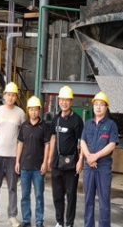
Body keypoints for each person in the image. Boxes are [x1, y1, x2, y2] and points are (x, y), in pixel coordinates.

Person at [0, 82, 25, 227]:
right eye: (8, 95)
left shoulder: (20, 113)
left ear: (16, 97)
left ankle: (12, 216)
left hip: (13, 156)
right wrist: (0, 139)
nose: (10, 97)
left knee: (12, 187)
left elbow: (23, 133)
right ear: (4, 96)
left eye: (13, 95)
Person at [80, 92, 119, 227]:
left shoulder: (111, 125)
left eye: (101, 105)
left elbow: (112, 145)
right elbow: (82, 141)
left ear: (106, 107)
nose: (98, 107)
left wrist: (95, 156)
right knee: (88, 201)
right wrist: (89, 157)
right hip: (88, 167)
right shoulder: (88, 124)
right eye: (96, 104)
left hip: (103, 167)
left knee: (104, 202)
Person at [48, 85, 84, 227]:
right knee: (57, 195)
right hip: (57, 164)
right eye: (62, 99)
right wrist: (50, 159)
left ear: (71, 101)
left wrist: (80, 160)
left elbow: (81, 142)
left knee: (71, 195)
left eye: (67, 100)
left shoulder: (77, 120)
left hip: (71, 164)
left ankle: (69, 223)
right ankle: (60, 222)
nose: (64, 102)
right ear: (58, 101)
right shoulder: (56, 119)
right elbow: (53, 138)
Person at [15, 96, 50, 227]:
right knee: (25, 195)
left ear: (39, 110)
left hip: (38, 168)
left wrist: (45, 163)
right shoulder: (24, 126)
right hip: (25, 166)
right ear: (28, 110)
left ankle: (39, 221)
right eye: (31, 110)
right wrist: (17, 161)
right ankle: (26, 220)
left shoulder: (44, 126)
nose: (33, 112)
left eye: (36, 110)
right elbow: (20, 144)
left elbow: (47, 145)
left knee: (39, 195)